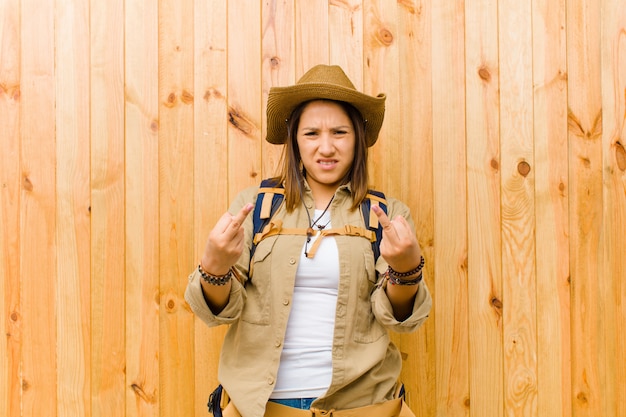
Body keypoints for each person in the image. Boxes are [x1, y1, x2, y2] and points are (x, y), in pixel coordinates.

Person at [185, 64, 432, 417]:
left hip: (361, 405)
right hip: (263, 407)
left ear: (358, 138)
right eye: (312, 133)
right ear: (295, 140)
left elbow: (400, 319)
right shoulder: (255, 207)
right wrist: (214, 266)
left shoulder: (386, 216)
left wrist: (407, 270)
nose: (326, 147)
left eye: (340, 132)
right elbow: (219, 311)